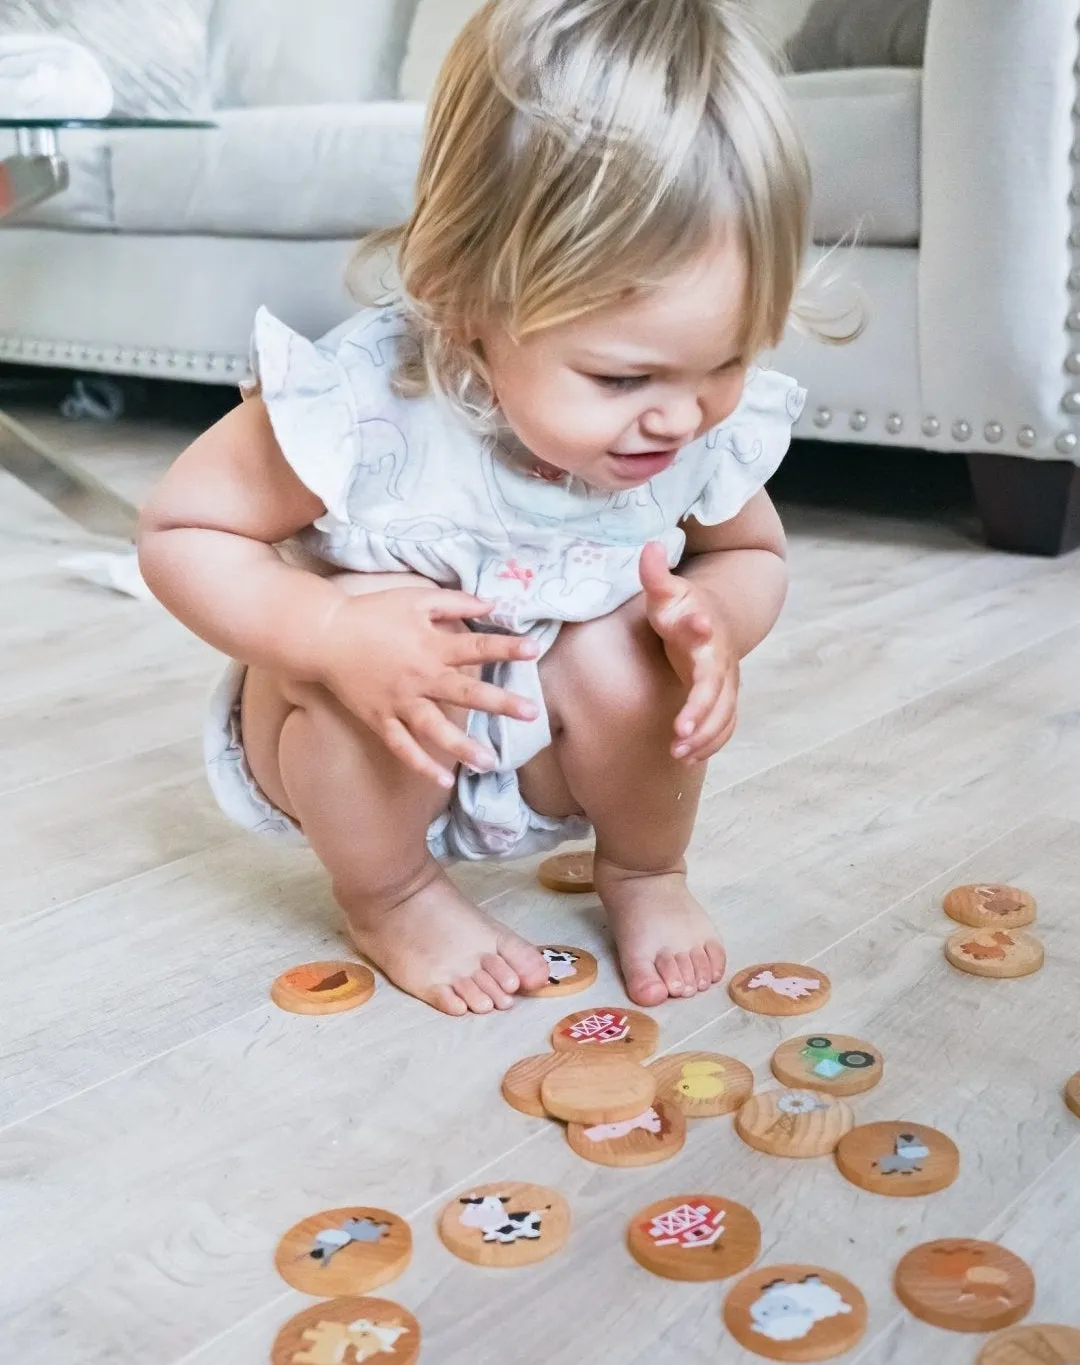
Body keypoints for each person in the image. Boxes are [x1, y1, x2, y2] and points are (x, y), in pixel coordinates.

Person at [139, 0, 846, 1017]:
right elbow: (181, 532)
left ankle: (646, 870)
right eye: (619, 376)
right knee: (370, 648)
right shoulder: (366, 408)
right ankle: (389, 895)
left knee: (629, 646)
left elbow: (754, 555)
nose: (680, 417)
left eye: (728, 360)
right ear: (466, 307)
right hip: (358, 747)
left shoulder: (688, 423)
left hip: (549, 748)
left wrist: (716, 623)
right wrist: (331, 628)